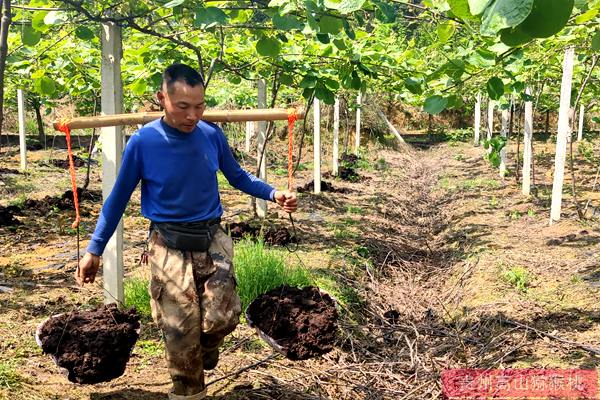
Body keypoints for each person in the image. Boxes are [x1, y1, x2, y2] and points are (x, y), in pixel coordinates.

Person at [75, 63, 297, 400]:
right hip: (168, 244)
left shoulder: (211, 135)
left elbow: (238, 176)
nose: (192, 115)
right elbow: (117, 200)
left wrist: (272, 193)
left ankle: (207, 348)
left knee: (222, 318)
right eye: (182, 106)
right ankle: (189, 392)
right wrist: (94, 249)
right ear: (161, 98)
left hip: (212, 238)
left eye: (199, 106)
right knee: (180, 332)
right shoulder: (144, 142)